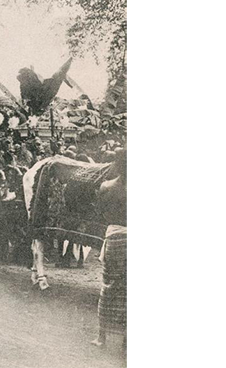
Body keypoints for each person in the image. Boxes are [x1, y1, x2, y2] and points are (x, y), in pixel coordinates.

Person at [92, 150, 127, 350]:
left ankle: (102, 337)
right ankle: (126, 340)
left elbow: (100, 213)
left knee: (108, 286)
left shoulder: (106, 187)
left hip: (114, 238)